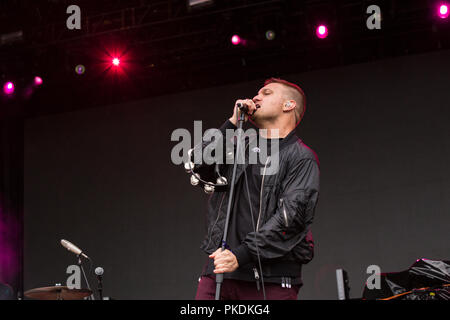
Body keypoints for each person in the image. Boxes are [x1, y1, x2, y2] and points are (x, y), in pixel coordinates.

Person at [187, 78, 320, 300]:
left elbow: (291, 217)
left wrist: (241, 255)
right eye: (257, 93)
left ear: (288, 105)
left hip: (270, 281)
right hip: (219, 277)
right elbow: (201, 164)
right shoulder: (240, 146)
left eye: (266, 93)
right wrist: (231, 122)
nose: (256, 97)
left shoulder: (301, 157)